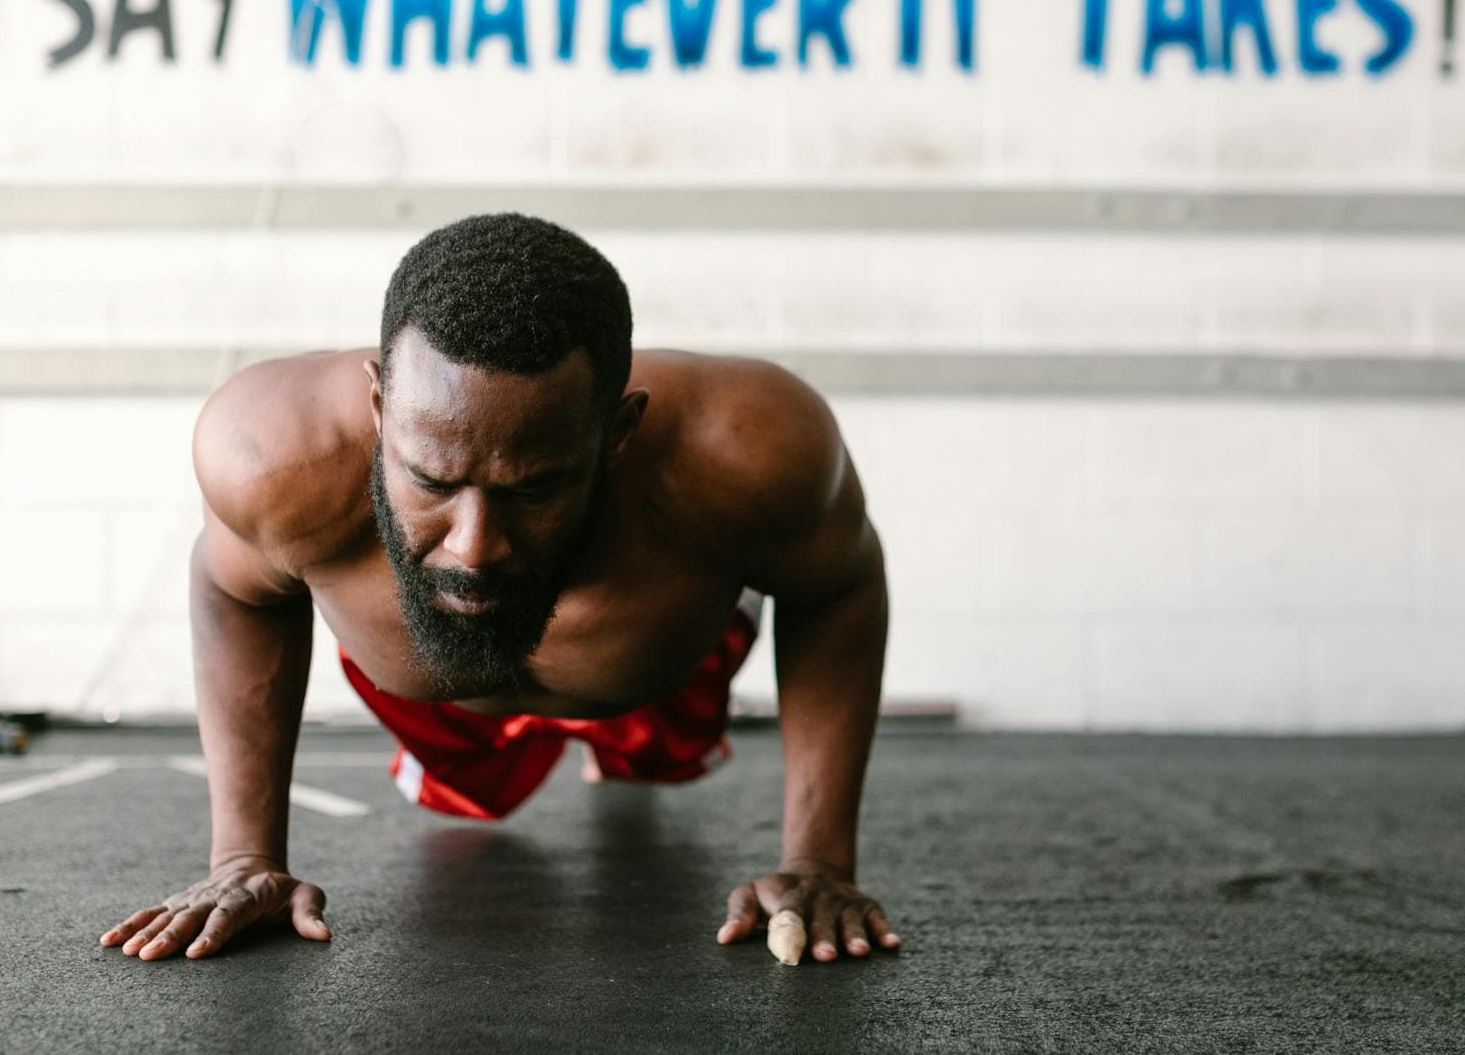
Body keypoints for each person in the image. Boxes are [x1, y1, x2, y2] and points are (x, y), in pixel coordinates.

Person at [98, 213, 900, 965]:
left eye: (533, 487)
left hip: (661, 668)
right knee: (467, 799)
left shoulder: (749, 453)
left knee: (657, 758)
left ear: (617, 435)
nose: (474, 547)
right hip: (434, 683)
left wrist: (819, 859)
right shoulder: (275, 456)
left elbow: (838, 584)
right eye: (431, 478)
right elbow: (236, 587)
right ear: (380, 408)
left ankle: (622, 747)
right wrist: (244, 856)